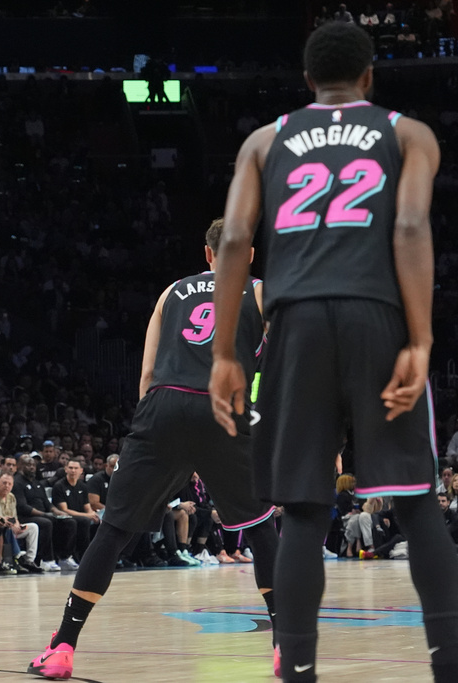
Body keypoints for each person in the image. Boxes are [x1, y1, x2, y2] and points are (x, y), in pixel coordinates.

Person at [209, 22, 458, 682]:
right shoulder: (408, 133)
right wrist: (421, 338)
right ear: (371, 77)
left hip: (294, 323)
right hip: (375, 312)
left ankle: (297, 670)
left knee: (303, 510)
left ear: (306, 80)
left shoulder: (265, 140)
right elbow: (408, 225)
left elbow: (234, 238)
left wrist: (224, 353)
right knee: (413, 497)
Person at [30, 218, 280, 680]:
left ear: (206, 255)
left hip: (163, 405)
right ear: (247, 256)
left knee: (114, 531)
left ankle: (63, 646)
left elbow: (145, 377)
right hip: (223, 405)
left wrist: (156, 428)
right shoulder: (263, 292)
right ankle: (287, 645)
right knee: (261, 528)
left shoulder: (172, 292)